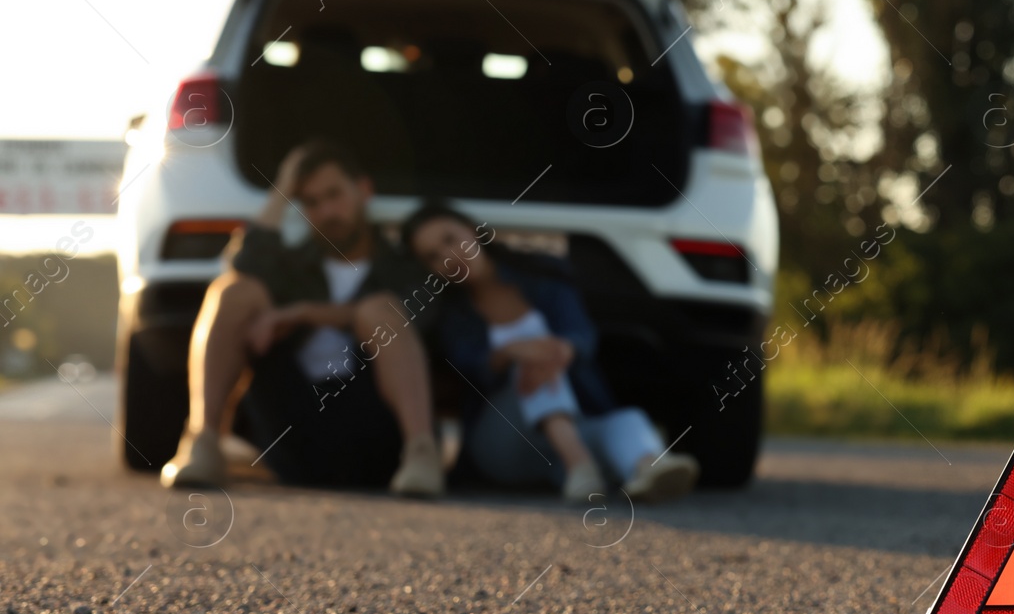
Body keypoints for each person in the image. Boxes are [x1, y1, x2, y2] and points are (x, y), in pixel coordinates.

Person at [161, 141, 445, 496]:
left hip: (378, 431)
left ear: (364, 190)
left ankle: (422, 452)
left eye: (334, 195)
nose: (327, 210)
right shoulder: (289, 269)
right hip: (295, 427)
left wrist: (304, 314)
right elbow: (242, 266)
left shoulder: (404, 268)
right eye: (311, 202)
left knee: (378, 309)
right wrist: (281, 190)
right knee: (235, 291)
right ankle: (203, 440)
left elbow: (422, 318)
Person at [400, 202, 698, 503]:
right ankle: (580, 466)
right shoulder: (452, 314)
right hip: (502, 444)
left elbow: (581, 334)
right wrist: (513, 352)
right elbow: (472, 366)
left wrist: (563, 350)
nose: (449, 258)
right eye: (433, 257)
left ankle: (646, 468)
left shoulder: (543, 272)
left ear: (471, 230)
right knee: (530, 364)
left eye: (450, 240)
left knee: (624, 419)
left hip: (566, 431)